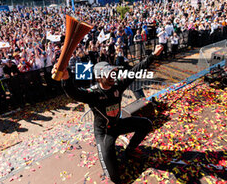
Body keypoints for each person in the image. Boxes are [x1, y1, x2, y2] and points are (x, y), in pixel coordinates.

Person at [53, 45, 163, 184]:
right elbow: (74, 93)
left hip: (119, 124)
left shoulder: (118, 85)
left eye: (113, 72)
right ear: (99, 77)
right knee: (114, 177)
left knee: (146, 124)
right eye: (108, 74)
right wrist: (66, 78)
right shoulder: (93, 94)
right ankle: (110, 156)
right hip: (104, 133)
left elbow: (135, 71)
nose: (112, 75)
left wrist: (153, 54)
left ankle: (130, 149)